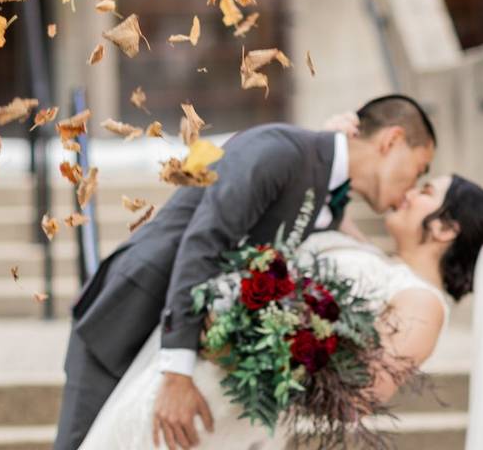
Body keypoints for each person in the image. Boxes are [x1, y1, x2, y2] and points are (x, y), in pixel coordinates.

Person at [53, 95, 436, 450]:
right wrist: (177, 374)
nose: (410, 190)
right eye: (418, 169)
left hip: (173, 334)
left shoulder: (326, 193)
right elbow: (204, 243)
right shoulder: (279, 150)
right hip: (129, 315)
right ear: (392, 140)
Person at [78, 173, 483, 449]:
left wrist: (274, 340)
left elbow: (363, 393)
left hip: (221, 419)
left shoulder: (424, 304)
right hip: (190, 388)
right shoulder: (378, 260)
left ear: (447, 228)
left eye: (426, 192)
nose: (409, 192)